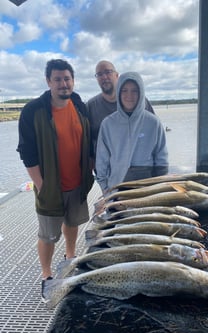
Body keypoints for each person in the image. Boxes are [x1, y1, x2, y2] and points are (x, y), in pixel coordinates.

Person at [17, 59, 94, 301]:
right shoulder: (33, 111)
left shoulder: (79, 103)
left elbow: (88, 141)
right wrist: (42, 186)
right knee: (48, 235)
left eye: (67, 78)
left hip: (77, 183)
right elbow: (27, 152)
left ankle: (69, 258)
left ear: (73, 80)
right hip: (50, 186)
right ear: (48, 81)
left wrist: (88, 172)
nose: (64, 83)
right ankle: (47, 275)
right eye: (58, 79)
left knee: (73, 223)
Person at [95, 71, 169, 195]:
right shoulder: (108, 124)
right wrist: (105, 188)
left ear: (141, 93)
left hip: (147, 191)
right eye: (124, 90)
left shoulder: (153, 122)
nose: (129, 95)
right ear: (118, 92)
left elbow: (161, 158)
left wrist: (159, 187)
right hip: (117, 190)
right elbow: (102, 160)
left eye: (134, 90)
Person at [86, 60, 155, 158]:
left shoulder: (139, 101)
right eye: (99, 74)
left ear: (117, 75)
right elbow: (88, 141)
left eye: (108, 72)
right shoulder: (91, 106)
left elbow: (153, 132)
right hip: (106, 169)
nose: (104, 77)